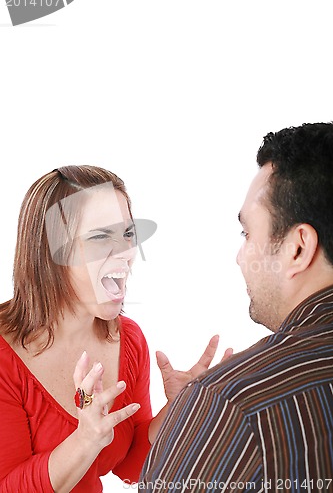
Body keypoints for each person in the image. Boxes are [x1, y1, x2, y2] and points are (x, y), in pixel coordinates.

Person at [0, 165, 232, 492]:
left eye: (127, 233)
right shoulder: (4, 357)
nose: (125, 252)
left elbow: (128, 467)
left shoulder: (128, 339)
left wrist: (175, 410)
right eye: (99, 236)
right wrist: (85, 439)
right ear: (50, 253)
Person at [140, 122, 333, 492]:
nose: (240, 257)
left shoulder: (231, 407)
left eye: (247, 234)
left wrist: (204, 415)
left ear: (298, 248)